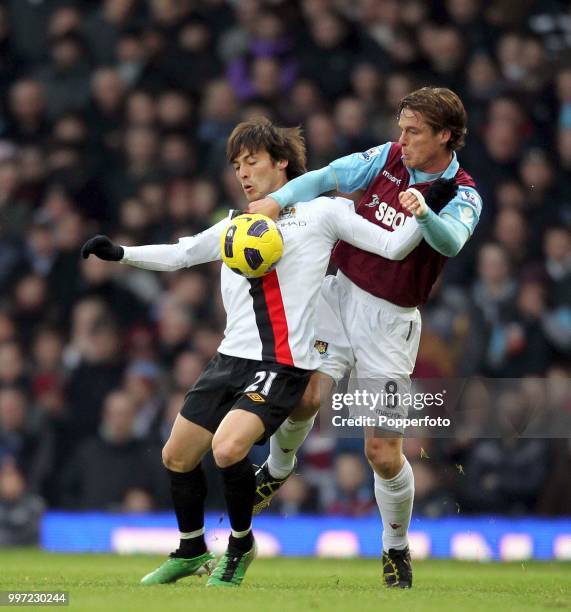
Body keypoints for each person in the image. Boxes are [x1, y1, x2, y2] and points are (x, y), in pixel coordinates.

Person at [80, 117, 449, 588]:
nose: (242, 173)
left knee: (229, 447)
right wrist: (122, 254)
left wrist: (425, 213)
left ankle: (240, 546)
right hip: (228, 359)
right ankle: (192, 548)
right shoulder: (239, 223)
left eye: (251, 162)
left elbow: (392, 247)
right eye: (236, 165)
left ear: (281, 163)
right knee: (176, 456)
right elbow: (183, 252)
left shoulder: (324, 213)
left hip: (281, 363)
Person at [248, 87, 482, 589]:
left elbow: (452, 242)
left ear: (445, 135)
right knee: (303, 396)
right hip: (339, 296)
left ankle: (395, 548)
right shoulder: (388, 157)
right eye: (401, 127)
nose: (402, 139)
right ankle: (277, 467)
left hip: (391, 325)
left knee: (381, 451)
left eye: (413, 131)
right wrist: (277, 198)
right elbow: (330, 176)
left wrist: (424, 215)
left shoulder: (463, 192)